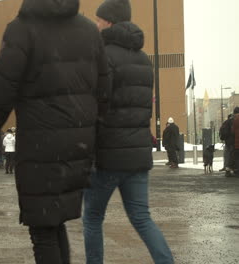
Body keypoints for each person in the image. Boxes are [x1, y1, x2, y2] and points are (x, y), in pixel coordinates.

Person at [0, 0, 110, 263]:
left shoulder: (22, 30)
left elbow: (0, 94)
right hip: (78, 144)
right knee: (54, 222)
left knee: (43, 230)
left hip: (40, 145)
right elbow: (105, 91)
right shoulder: (88, 31)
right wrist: (94, 137)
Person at [83, 1, 174, 264]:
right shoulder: (144, 60)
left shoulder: (103, 56)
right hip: (137, 155)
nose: (96, 24)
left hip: (107, 156)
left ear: (109, 22)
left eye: (98, 20)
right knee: (142, 218)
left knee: (92, 217)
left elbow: (96, 104)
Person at [232, 107, 239, 178]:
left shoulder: (235, 120)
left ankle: (237, 171)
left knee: (237, 158)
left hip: (237, 143)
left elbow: (233, 131)